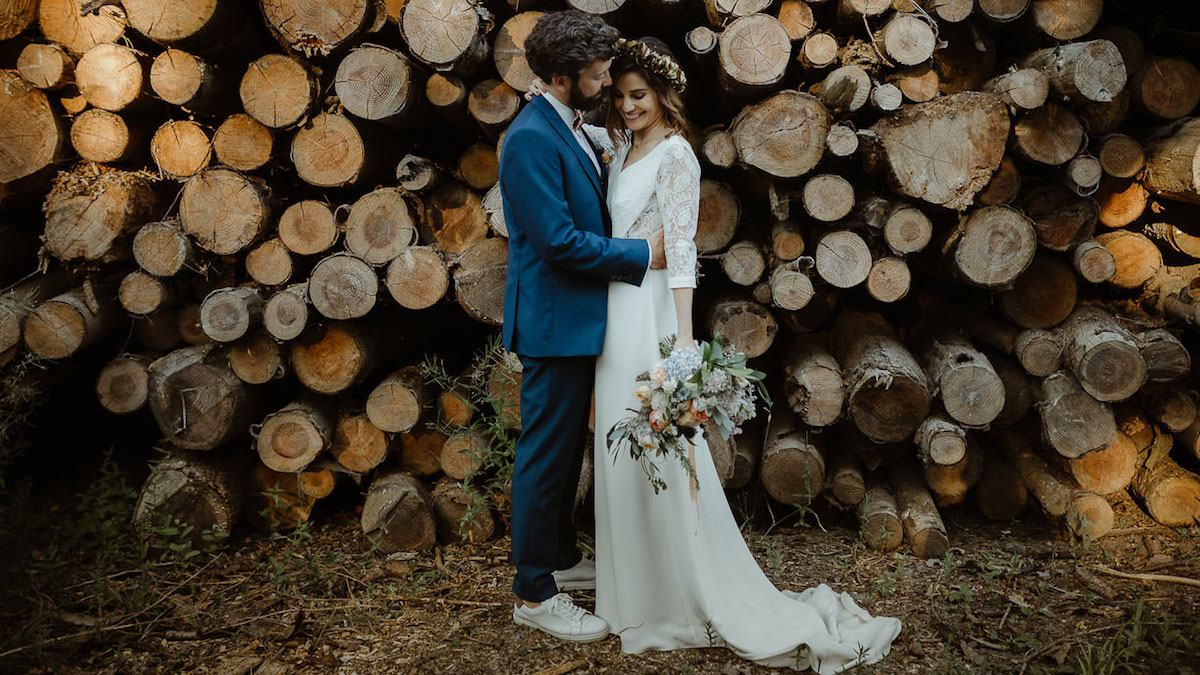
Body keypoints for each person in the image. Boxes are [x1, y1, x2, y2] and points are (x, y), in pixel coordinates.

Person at [586, 37, 905, 673]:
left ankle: (679, 591)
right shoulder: (622, 148)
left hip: (650, 312)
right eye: (619, 96)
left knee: (662, 446)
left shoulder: (677, 154)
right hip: (611, 311)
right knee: (622, 448)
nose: (627, 106)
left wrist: (680, 344)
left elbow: (681, 250)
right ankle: (631, 592)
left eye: (639, 96)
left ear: (664, 95)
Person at [498, 11, 667, 643]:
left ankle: (562, 557)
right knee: (545, 454)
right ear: (567, 77)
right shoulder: (530, 139)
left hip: (573, 318)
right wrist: (642, 255)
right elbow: (561, 243)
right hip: (552, 321)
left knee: (568, 447)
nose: (607, 81)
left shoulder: (564, 126)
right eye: (598, 73)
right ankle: (534, 593)